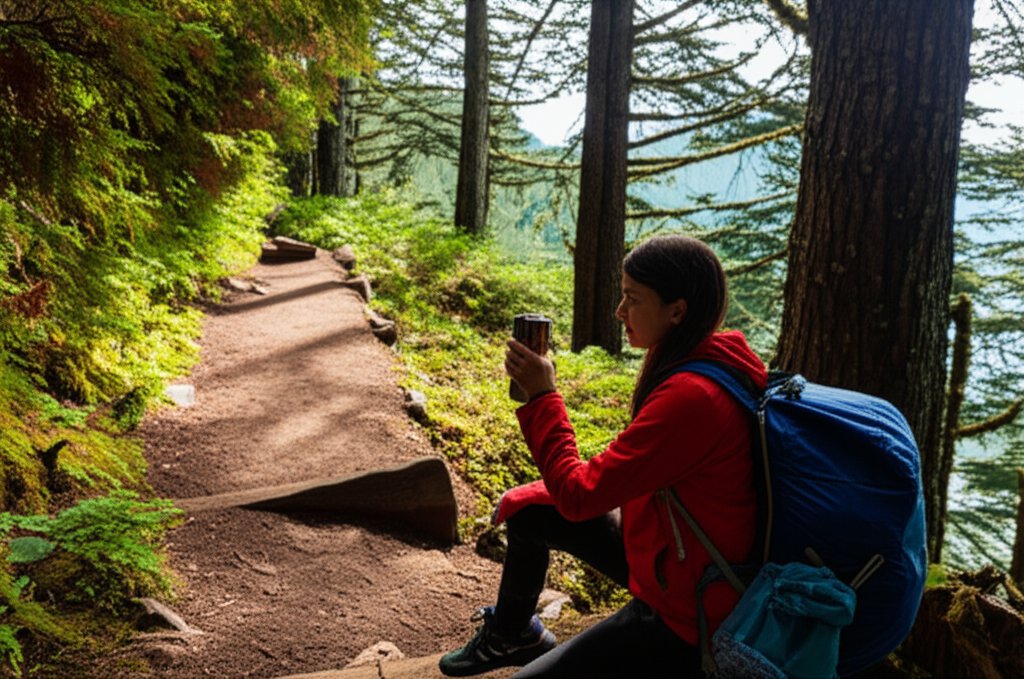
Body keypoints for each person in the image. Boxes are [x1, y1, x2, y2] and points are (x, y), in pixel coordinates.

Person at [439, 235, 767, 678]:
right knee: (532, 509)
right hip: (672, 558)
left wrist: (542, 395)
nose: (619, 310)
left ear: (678, 311)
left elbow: (578, 496)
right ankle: (513, 635)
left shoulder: (693, 398)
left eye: (632, 299)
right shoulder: (708, 358)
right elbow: (619, 475)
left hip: (689, 615)